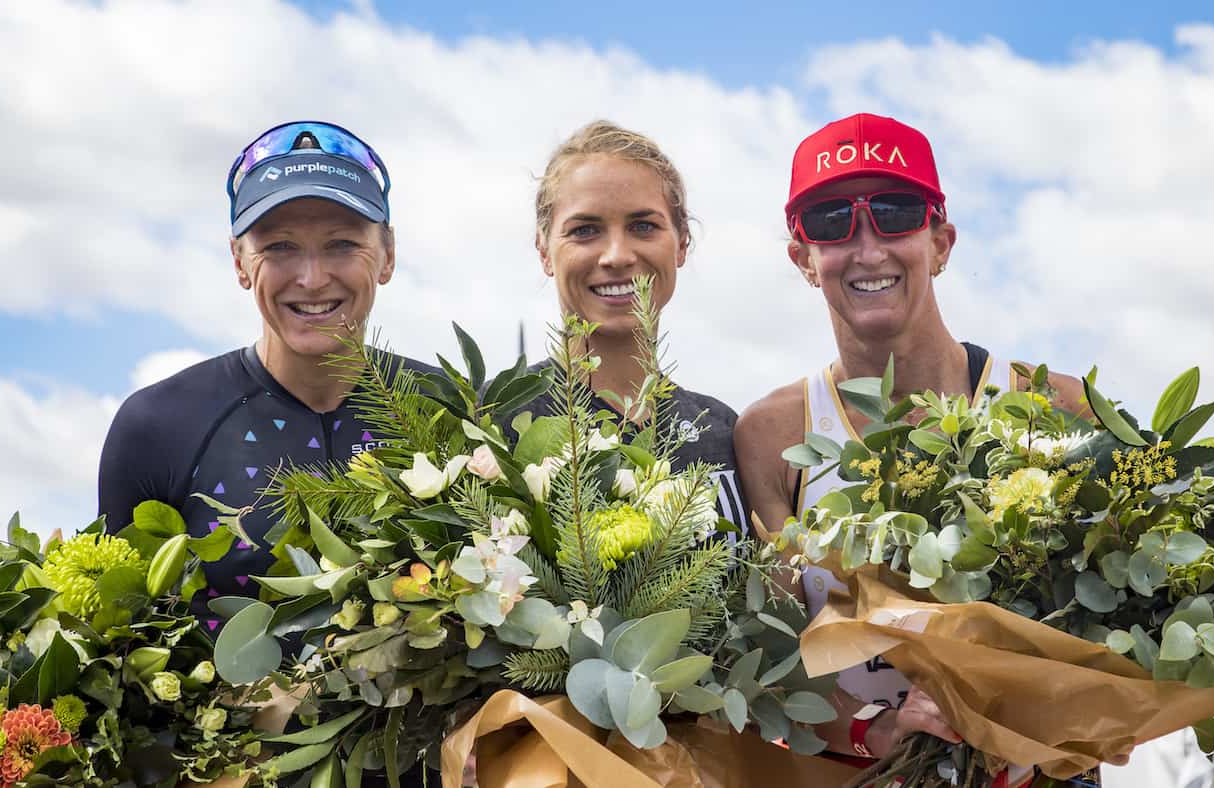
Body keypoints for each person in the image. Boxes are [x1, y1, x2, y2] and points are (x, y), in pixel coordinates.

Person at [734, 113, 1087, 767]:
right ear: (803, 259)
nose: (868, 249)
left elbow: (1120, 622)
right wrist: (887, 729)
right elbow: (781, 656)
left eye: (895, 212)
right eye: (833, 222)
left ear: (942, 242)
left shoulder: (1057, 406)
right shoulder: (773, 434)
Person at [97, 119, 436, 637]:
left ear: (388, 254)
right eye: (279, 247)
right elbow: (116, 647)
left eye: (343, 244)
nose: (312, 277)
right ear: (239, 260)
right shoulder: (159, 427)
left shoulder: (452, 413)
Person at [513, 119, 746, 528]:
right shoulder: (494, 426)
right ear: (543, 250)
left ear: (682, 243)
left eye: (643, 226)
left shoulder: (727, 434)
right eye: (585, 230)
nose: (617, 255)